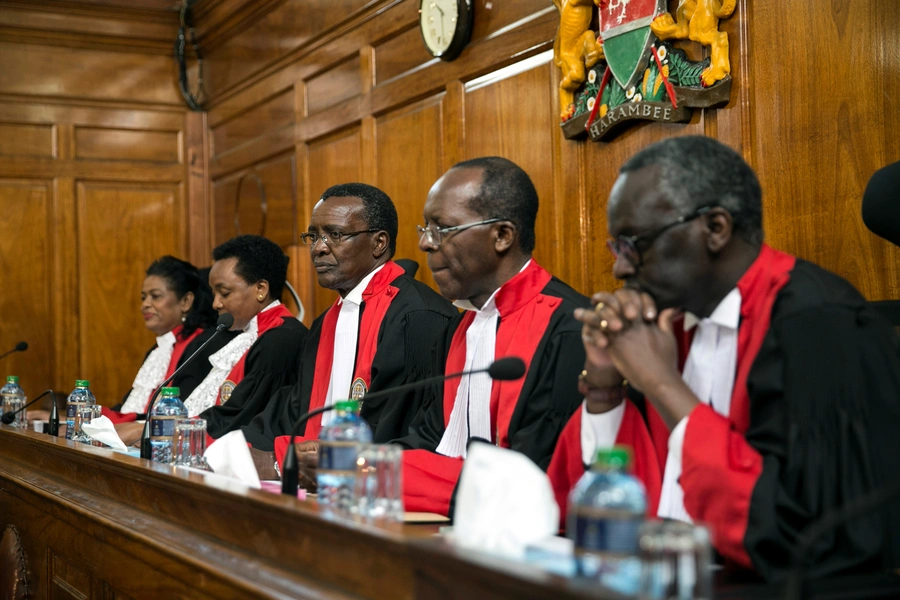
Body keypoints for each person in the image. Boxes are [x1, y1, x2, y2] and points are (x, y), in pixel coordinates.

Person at [576, 135, 900, 580]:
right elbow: (610, 503)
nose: (621, 269)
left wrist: (663, 385)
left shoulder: (817, 326)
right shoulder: (671, 324)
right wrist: (606, 384)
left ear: (715, 228)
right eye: (618, 248)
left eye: (635, 243)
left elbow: (809, 538)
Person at [395, 156, 590, 516]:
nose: (425, 244)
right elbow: (428, 437)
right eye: (424, 228)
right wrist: (358, 462)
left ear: (502, 235)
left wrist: (387, 474)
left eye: (442, 229)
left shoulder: (571, 328)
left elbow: (535, 479)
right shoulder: (460, 326)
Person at [244, 183, 456, 460]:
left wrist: (300, 461)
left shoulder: (418, 317)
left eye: (335, 234)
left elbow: (402, 426)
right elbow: (296, 409)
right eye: (313, 236)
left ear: (379, 243)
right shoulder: (324, 323)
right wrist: (242, 448)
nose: (318, 248)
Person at [194, 235, 308, 439]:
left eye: (225, 293)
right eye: (214, 294)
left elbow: (242, 415)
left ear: (261, 289)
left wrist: (173, 431)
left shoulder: (280, 339)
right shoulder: (247, 335)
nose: (216, 304)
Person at [106, 257, 234, 430]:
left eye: (155, 296)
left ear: (185, 302)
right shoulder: (158, 349)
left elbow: (184, 411)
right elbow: (129, 407)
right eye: (144, 297)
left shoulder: (205, 344)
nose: (145, 305)